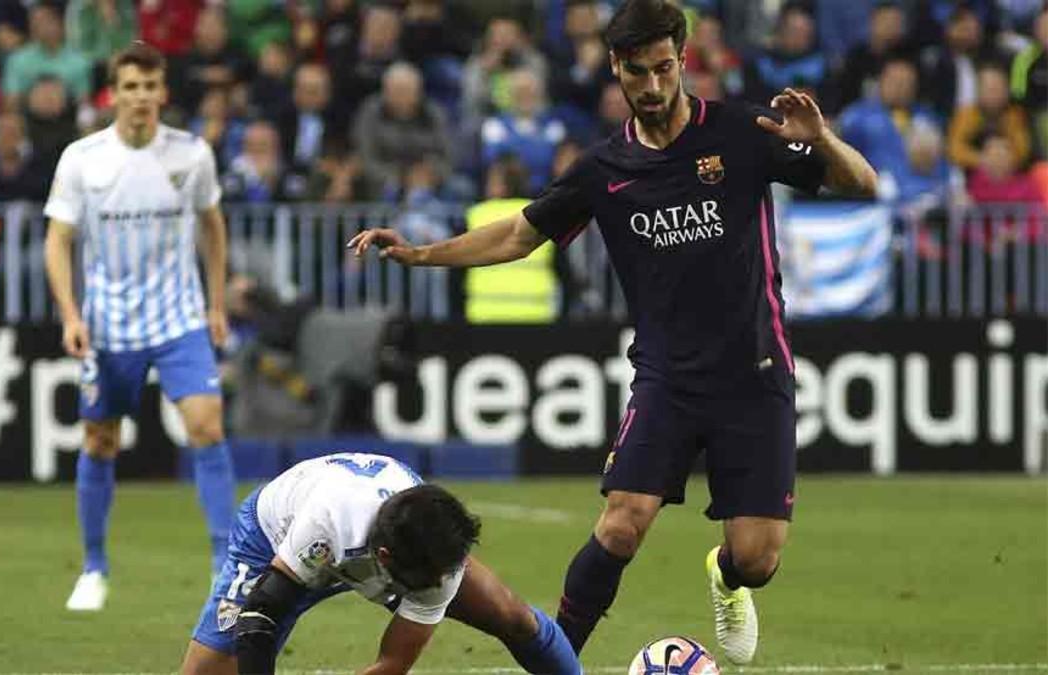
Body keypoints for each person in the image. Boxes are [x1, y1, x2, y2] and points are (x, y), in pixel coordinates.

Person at [348, 0, 878, 665]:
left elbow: (863, 184)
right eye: (637, 72)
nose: (653, 87)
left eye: (663, 69)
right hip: (668, 377)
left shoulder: (741, 133)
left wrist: (820, 139)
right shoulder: (604, 169)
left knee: (757, 557)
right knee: (622, 521)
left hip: (756, 371)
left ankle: (726, 574)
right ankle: (558, 657)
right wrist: (421, 253)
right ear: (616, 71)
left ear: (682, 62)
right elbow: (518, 234)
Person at [43, 41, 236, 612]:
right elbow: (58, 241)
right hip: (109, 327)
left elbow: (213, 228)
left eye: (151, 87)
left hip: (179, 319)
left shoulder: (192, 155)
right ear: (114, 93)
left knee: (206, 425)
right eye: (131, 87)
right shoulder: (83, 159)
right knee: (100, 440)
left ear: (163, 93)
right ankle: (94, 566)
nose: (141, 98)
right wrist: (71, 315)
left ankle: (224, 565)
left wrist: (216, 304)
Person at [180, 452, 581, 675]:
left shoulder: (440, 562)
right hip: (272, 537)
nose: (440, 583)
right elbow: (262, 614)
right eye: (429, 581)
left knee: (509, 614)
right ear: (385, 561)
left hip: (381, 541)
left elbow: (392, 665)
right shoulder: (326, 520)